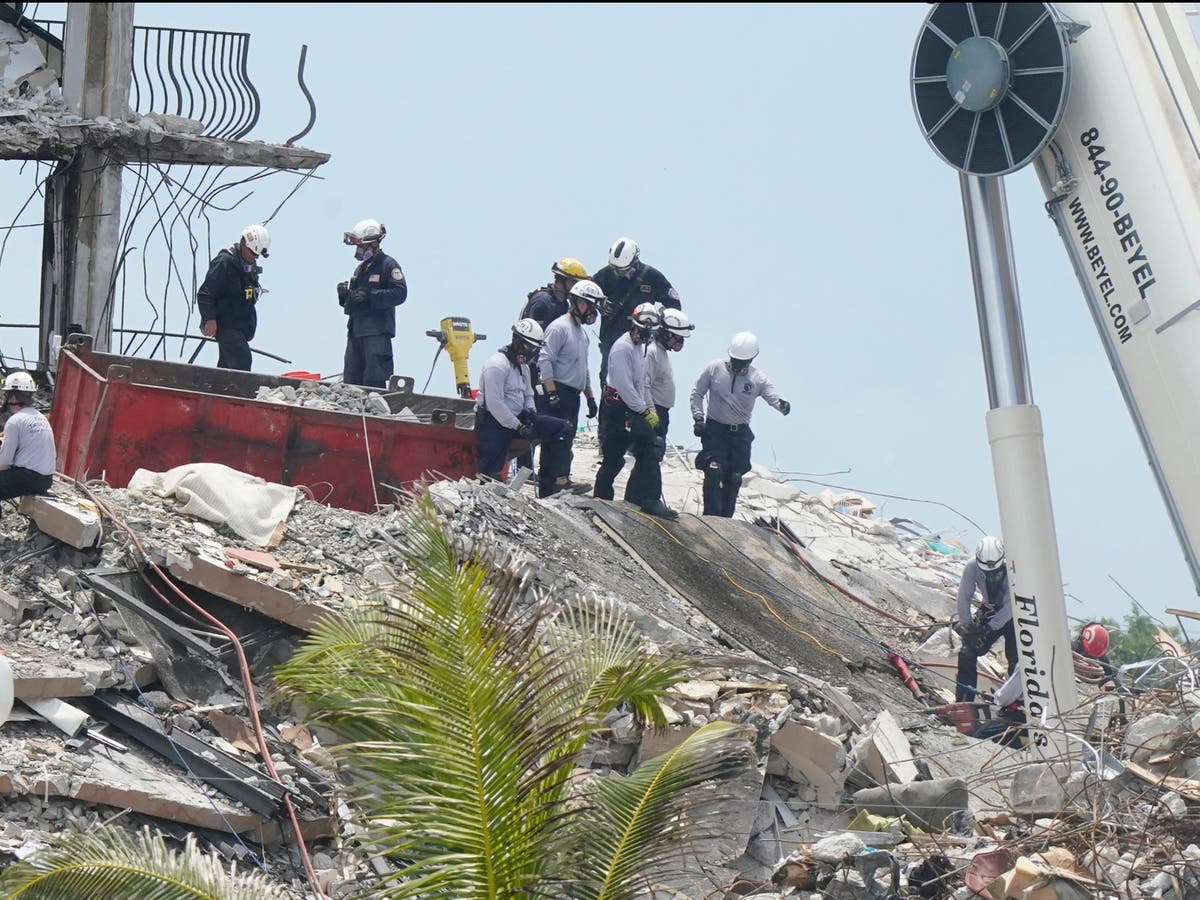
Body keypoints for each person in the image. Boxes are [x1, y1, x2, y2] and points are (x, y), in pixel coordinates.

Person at [689, 332, 790, 518]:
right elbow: (697, 393)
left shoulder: (757, 378)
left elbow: (772, 395)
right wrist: (698, 418)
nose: (737, 366)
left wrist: (782, 404)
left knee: (734, 478)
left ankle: (726, 518)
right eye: (734, 360)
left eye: (741, 362)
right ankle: (711, 517)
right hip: (715, 430)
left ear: (750, 360)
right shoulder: (714, 369)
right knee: (713, 470)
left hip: (739, 435)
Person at [971, 623, 1117, 748]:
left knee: (979, 736)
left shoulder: (1034, 658)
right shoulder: (1096, 681)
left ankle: (1023, 743)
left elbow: (1005, 697)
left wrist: (996, 699)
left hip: (1021, 721)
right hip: (1061, 734)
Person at [594, 304, 677, 519]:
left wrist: (652, 415)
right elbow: (624, 386)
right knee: (613, 458)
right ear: (634, 325)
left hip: (633, 408)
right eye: (643, 330)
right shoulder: (623, 348)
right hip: (618, 409)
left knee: (650, 448)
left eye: (649, 331)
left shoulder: (640, 348)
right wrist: (642, 411)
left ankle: (648, 498)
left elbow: (641, 385)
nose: (646, 334)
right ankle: (601, 500)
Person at [514, 258, 590, 479]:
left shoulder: (562, 304)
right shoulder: (543, 303)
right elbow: (531, 339)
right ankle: (525, 471)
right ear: (565, 282)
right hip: (534, 370)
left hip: (547, 372)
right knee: (533, 418)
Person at [474, 320, 573, 481]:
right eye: (529, 347)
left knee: (562, 428)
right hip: (493, 422)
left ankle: (553, 481)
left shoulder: (524, 368)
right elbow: (495, 404)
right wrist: (518, 426)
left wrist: (530, 412)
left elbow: (528, 394)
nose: (530, 353)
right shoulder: (497, 365)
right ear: (517, 341)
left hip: (518, 418)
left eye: (534, 349)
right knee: (491, 473)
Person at [537, 280, 603, 498]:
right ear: (577, 302)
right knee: (556, 438)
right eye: (589, 306)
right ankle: (552, 484)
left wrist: (590, 397)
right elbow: (544, 360)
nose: (592, 312)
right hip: (558, 391)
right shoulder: (559, 327)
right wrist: (552, 392)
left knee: (567, 437)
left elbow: (583, 369)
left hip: (573, 394)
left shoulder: (582, 335)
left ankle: (561, 479)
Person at [592, 237, 680, 389]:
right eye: (616, 270)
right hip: (611, 340)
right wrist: (599, 303)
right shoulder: (605, 275)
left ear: (634, 261)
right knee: (608, 383)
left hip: (641, 343)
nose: (619, 274)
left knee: (638, 383)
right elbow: (586, 295)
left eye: (623, 270)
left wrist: (656, 318)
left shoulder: (652, 277)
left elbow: (674, 304)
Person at [338, 219, 408, 388]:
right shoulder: (360, 270)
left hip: (376, 334)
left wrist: (370, 295)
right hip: (356, 333)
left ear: (374, 244)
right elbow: (354, 303)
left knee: (373, 381)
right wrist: (345, 297)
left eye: (361, 247)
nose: (359, 251)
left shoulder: (388, 265)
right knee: (351, 382)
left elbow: (400, 293)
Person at [953, 536, 1019, 702]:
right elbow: (963, 597)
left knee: (1017, 659)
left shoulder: (1013, 570)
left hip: (1012, 616)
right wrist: (968, 626)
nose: (991, 576)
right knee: (967, 652)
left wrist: (991, 627)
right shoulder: (972, 566)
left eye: (994, 572)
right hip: (989, 610)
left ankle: (1015, 705)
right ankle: (965, 702)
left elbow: (1011, 605)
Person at [196, 224, 270, 371]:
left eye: (257, 255)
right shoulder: (224, 262)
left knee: (226, 367)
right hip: (226, 324)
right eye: (252, 253)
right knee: (241, 360)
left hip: (240, 327)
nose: (254, 258)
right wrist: (209, 319)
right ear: (243, 243)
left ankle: (217, 392)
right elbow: (206, 292)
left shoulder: (249, 269)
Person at [0, 372, 55, 509]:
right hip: (46, 480)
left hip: (28, 478)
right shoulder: (40, 417)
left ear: (13, 396)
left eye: (6, 394)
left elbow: (4, 462)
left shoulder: (15, 421)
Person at [644, 307, 694, 444]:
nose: (678, 343)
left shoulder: (662, 353)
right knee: (649, 457)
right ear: (666, 334)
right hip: (653, 412)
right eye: (677, 338)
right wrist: (653, 420)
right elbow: (644, 387)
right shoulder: (652, 352)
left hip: (662, 413)